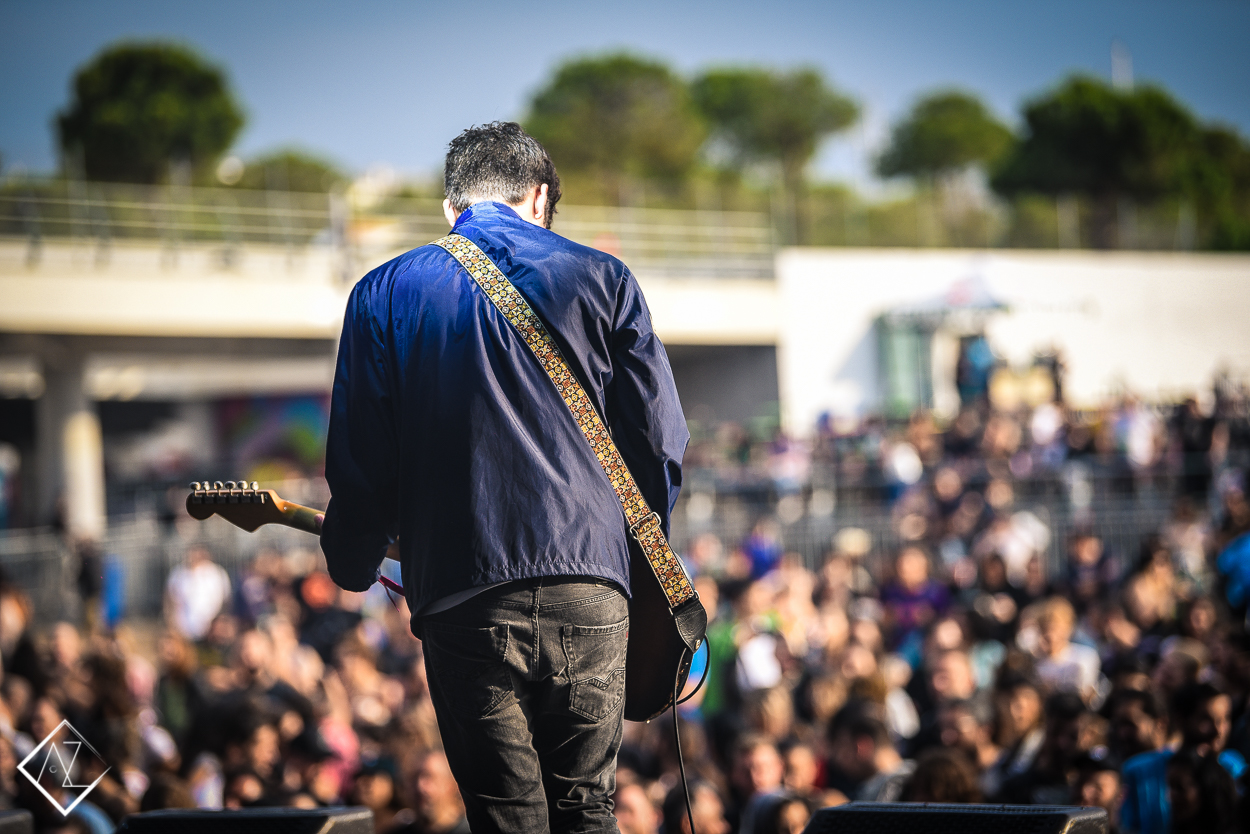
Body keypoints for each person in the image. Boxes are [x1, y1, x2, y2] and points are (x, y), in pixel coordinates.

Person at [319, 122, 689, 833]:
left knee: (506, 815)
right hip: (592, 588)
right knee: (588, 809)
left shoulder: (381, 293)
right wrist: (635, 555)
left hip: (465, 593)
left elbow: (362, 460)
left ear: (450, 207)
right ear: (541, 197)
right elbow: (660, 441)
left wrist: (353, 561)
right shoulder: (605, 277)